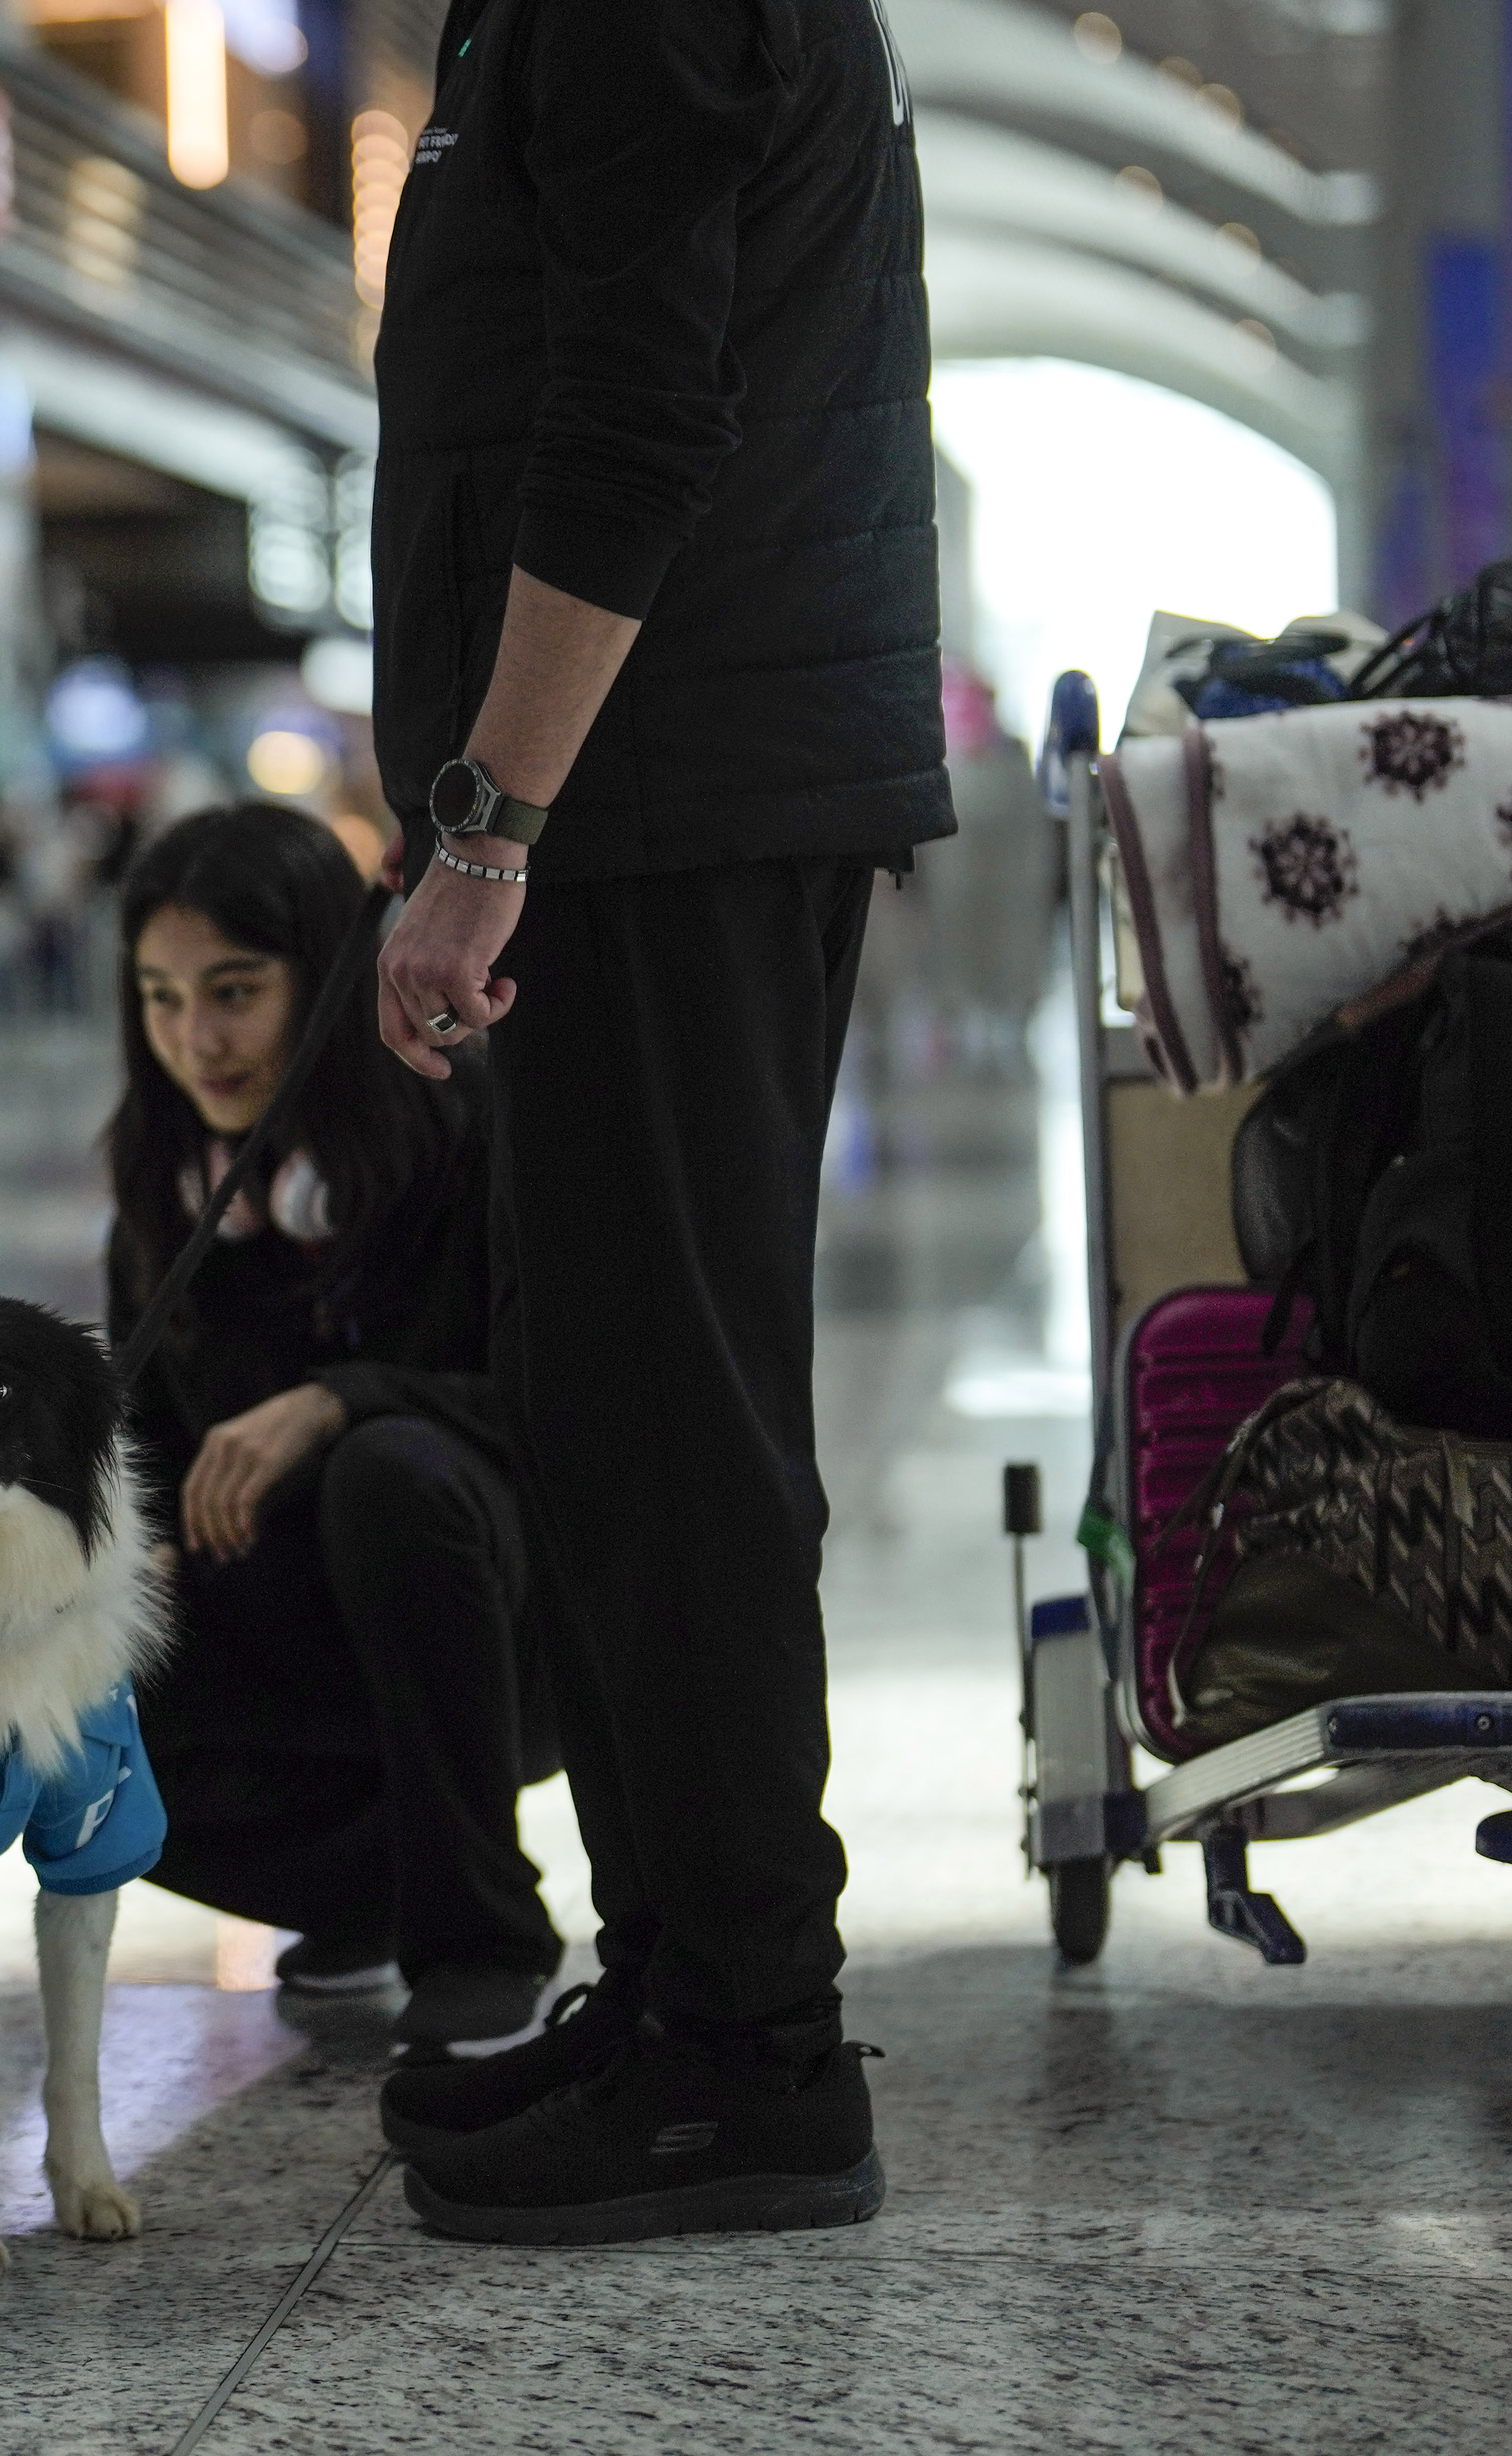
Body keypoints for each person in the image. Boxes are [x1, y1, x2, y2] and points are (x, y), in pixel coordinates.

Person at [363, 0, 956, 2243]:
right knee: (620, 1413)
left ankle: (749, 2057)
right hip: (676, 791)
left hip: (658, 797)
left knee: (671, 1430)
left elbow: (632, 414)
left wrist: (490, 822)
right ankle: (693, 1985)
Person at [105, 803, 561, 2056]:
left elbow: (557, 1406)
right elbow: (135, 1438)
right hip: (297, 1633)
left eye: (235, 990)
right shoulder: (169, 1185)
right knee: (84, 1711)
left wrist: (338, 1400)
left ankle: (482, 1935)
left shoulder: (465, 1133)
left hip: (500, 1623)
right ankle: (380, 1890)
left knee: (386, 1473)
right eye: (159, 996)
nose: (195, 1039)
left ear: (325, 978)